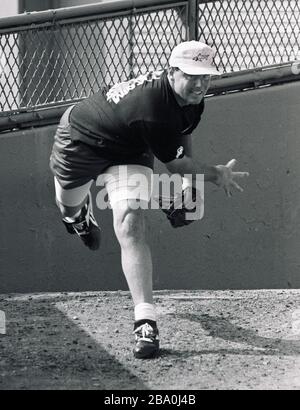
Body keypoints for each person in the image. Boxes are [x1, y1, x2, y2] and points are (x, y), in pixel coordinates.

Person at [50, 41, 249, 359]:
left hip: (129, 148)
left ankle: (145, 322)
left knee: (131, 223)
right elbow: (178, 163)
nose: (200, 84)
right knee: (68, 206)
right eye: (191, 75)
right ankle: (77, 216)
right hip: (81, 139)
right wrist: (214, 175)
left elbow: (181, 135)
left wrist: (189, 190)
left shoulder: (191, 98)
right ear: (172, 72)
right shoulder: (153, 106)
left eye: (206, 76)